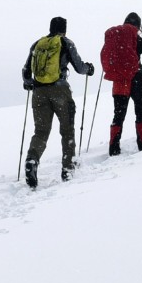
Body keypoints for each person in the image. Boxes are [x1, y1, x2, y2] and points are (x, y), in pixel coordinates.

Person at [20, 17, 94, 189]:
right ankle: (67, 169)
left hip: (38, 93)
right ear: (64, 29)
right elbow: (79, 67)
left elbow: (25, 71)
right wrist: (89, 69)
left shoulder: (37, 44)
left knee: (41, 132)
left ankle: (32, 160)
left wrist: (29, 83)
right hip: (60, 91)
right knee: (67, 131)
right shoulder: (65, 42)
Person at [100, 13, 142, 155]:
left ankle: (114, 147)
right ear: (138, 26)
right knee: (140, 111)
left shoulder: (116, 39)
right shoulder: (140, 41)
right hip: (136, 79)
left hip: (120, 80)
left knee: (118, 114)